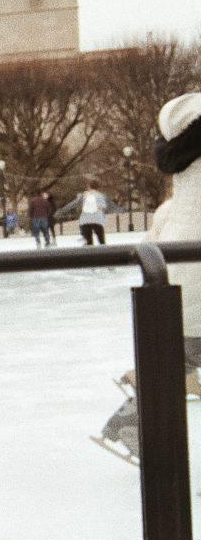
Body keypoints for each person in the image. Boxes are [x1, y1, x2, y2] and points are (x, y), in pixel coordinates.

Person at [103, 92, 201, 455]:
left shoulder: (183, 183)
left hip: (177, 277)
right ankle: (131, 423)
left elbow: (160, 227)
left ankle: (130, 424)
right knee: (177, 361)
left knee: (174, 361)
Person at [76, 180, 109, 245]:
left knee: (88, 241)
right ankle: (103, 252)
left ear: (89, 187)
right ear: (98, 187)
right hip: (97, 219)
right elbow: (103, 206)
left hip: (85, 220)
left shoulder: (84, 195)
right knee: (101, 239)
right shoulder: (100, 195)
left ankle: (89, 252)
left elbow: (79, 206)